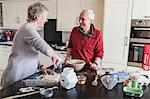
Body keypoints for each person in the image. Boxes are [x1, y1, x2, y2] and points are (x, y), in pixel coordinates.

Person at [0, 2, 61, 88]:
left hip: (24, 78)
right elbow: (45, 48)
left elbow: (31, 53)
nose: (46, 20)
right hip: (15, 78)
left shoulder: (30, 29)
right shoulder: (27, 29)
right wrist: (56, 56)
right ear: (38, 16)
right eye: (45, 16)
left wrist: (41, 66)